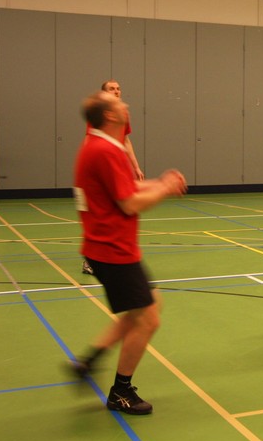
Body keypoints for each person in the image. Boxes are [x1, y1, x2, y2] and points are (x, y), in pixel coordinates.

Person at [67, 89, 188, 415]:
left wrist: (160, 182)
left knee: (147, 308)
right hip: (113, 251)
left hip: (110, 248)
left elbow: (127, 187)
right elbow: (130, 202)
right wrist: (165, 189)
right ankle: (121, 392)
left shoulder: (101, 146)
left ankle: (89, 360)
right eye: (119, 103)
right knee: (147, 319)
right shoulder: (105, 150)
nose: (126, 105)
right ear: (110, 115)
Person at [82, 79, 144, 276]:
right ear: (103, 93)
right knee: (100, 215)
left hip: (117, 168)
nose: (116, 91)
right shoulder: (100, 115)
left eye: (118, 89)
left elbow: (126, 141)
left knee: (120, 213)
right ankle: (90, 260)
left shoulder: (121, 115)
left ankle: (116, 256)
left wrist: (135, 166)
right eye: (111, 89)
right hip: (102, 170)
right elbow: (89, 140)